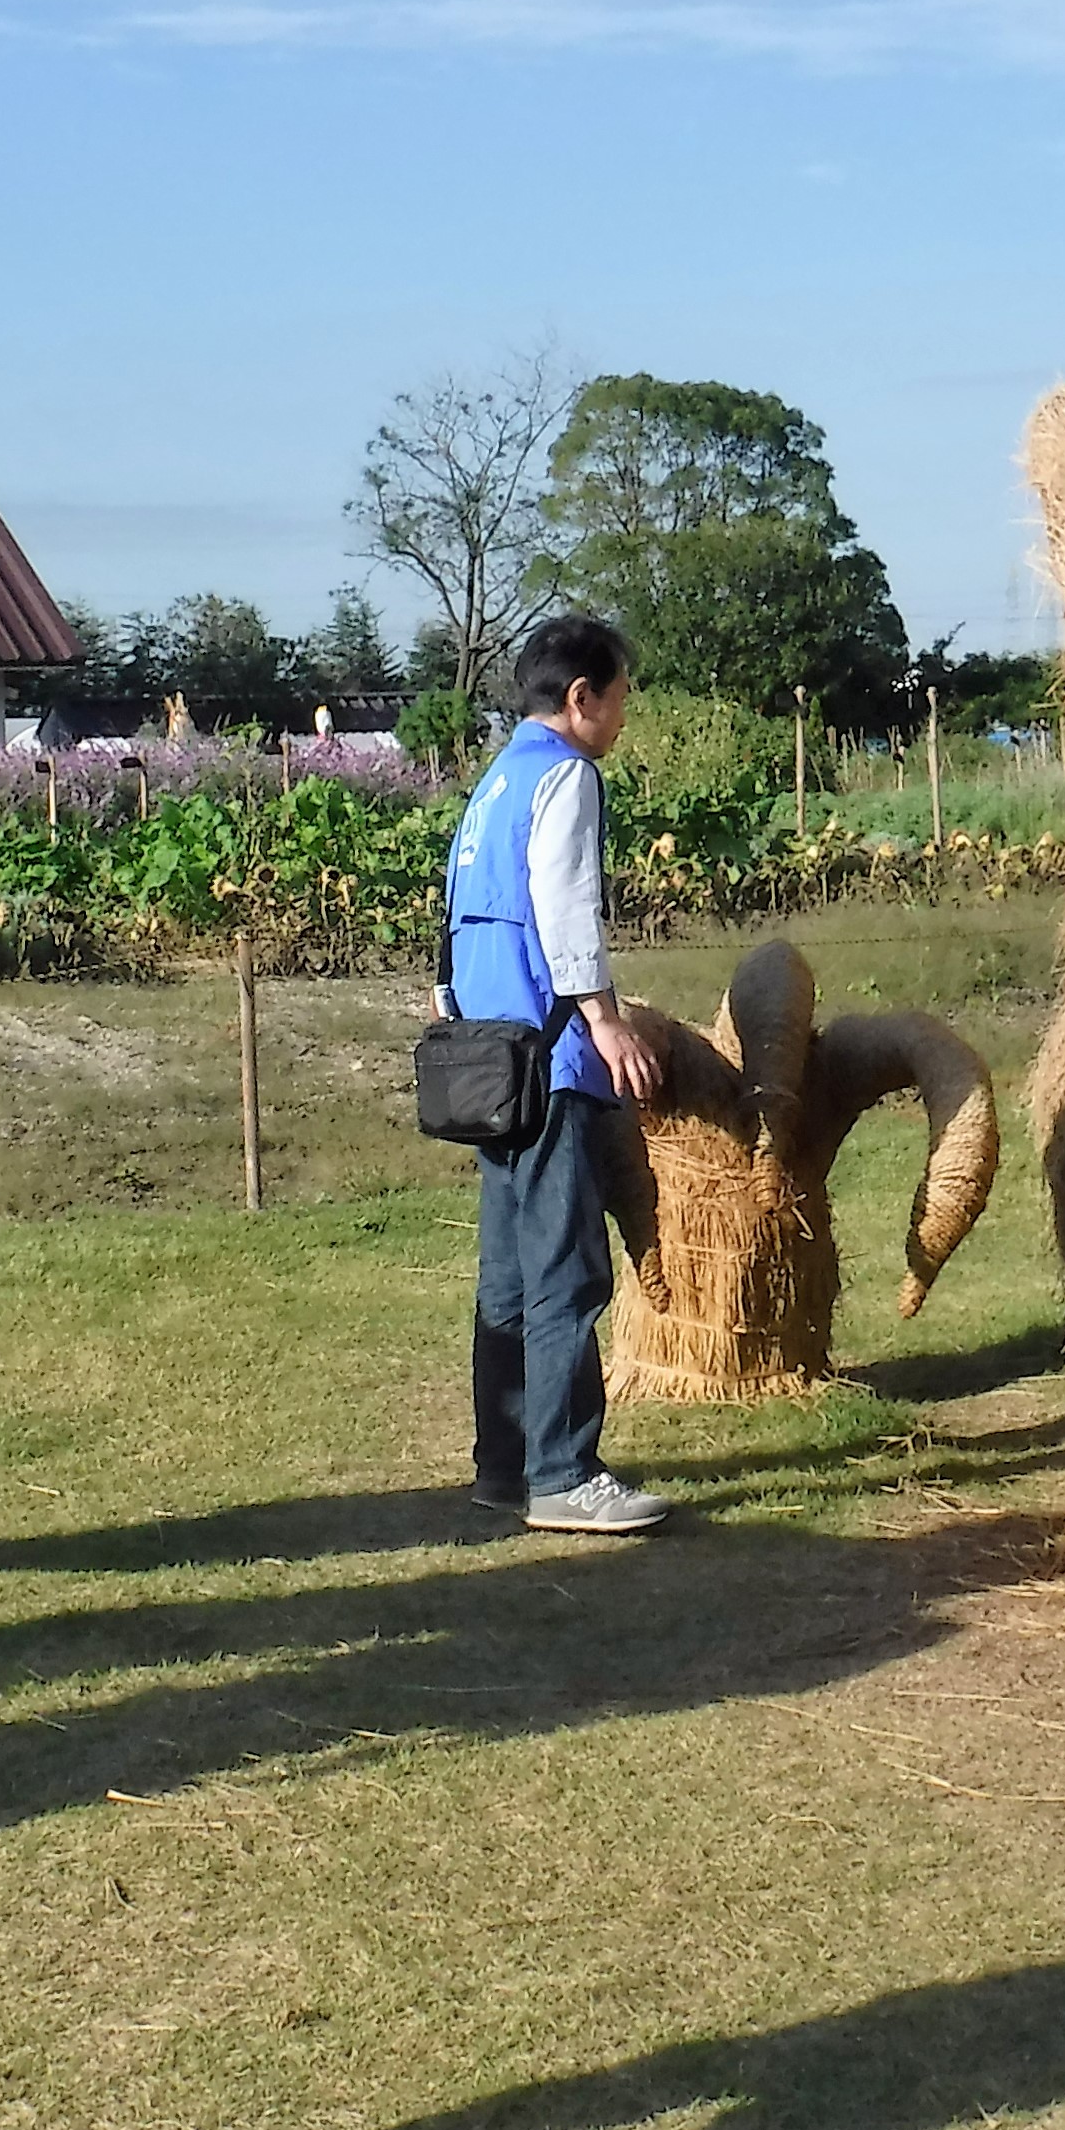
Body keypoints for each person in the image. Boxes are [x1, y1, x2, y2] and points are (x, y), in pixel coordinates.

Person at [445, 612, 675, 1535]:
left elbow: (461, 910)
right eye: (617, 698)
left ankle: (501, 1469)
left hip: (485, 1058)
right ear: (580, 698)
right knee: (567, 1274)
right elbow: (566, 906)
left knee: (505, 1278)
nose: (620, 717)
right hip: (546, 1058)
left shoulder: (495, 780)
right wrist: (605, 1021)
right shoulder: (566, 776)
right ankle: (564, 1474)